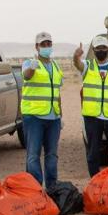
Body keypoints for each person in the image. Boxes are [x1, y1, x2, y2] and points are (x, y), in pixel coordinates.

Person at [74, 36, 108, 177]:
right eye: (98, 48)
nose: (101, 51)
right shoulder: (88, 65)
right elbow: (77, 64)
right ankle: (95, 183)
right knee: (93, 152)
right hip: (92, 116)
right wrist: (76, 56)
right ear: (94, 50)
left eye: (103, 48)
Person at [21, 31, 63, 190]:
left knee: (52, 155)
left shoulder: (56, 66)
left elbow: (57, 93)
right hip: (34, 117)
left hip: (53, 118)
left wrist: (61, 115)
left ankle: (52, 188)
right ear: (37, 47)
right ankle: (35, 188)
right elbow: (27, 75)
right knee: (33, 155)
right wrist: (32, 67)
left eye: (48, 44)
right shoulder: (29, 63)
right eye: (43, 44)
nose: (46, 47)